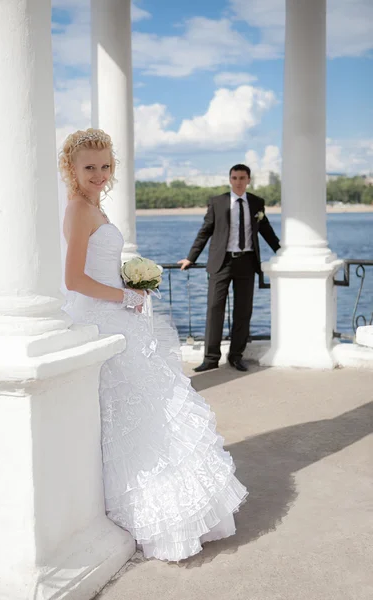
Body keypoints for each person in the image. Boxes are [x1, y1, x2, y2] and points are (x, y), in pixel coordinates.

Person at [59, 128, 248, 563]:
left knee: (153, 408)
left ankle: (179, 512)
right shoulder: (76, 209)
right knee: (137, 413)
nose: (99, 174)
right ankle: (147, 513)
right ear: (71, 168)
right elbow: (74, 281)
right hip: (104, 321)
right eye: (90, 167)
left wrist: (127, 285)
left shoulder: (94, 206)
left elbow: (97, 268)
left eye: (105, 166)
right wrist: (127, 295)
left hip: (120, 316)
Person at [178, 164, 280, 373]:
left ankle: (236, 356)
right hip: (221, 262)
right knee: (215, 309)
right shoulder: (218, 202)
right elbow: (205, 231)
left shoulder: (256, 203)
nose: (238, 182)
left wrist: (282, 251)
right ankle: (211, 358)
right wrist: (191, 257)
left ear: (249, 180)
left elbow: (266, 230)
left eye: (242, 178)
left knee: (243, 312)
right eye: (234, 178)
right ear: (230, 179)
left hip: (247, 263)